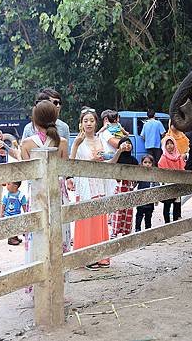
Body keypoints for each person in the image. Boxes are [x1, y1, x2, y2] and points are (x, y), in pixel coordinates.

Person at [21, 100, 72, 255]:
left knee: (38, 231)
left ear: (34, 120)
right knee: (59, 230)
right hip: (58, 192)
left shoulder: (27, 144)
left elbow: (25, 169)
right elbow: (65, 167)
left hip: (37, 193)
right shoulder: (61, 143)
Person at [70, 107, 112, 270]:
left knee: (100, 218)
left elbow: (108, 160)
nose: (89, 123)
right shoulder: (78, 141)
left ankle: (101, 255)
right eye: (85, 120)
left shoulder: (101, 139)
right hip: (85, 185)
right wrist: (75, 146)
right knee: (86, 220)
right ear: (81, 123)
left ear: (96, 123)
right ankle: (85, 257)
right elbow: (71, 163)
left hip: (99, 183)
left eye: (92, 120)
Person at [109, 137, 138, 239]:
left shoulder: (134, 160)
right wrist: (119, 151)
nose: (128, 145)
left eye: (129, 143)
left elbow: (137, 175)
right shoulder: (117, 158)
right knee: (117, 210)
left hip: (129, 187)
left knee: (128, 210)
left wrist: (134, 184)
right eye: (125, 143)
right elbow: (111, 165)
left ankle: (126, 231)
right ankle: (115, 231)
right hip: (118, 186)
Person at [158, 136, 186, 223]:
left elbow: (182, 170)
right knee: (167, 205)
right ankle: (167, 224)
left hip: (177, 184)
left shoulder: (178, 157)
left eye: (172, 143)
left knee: (177, 204)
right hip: (167, 184)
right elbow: (161, 173)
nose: (170, 146)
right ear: (164, 146)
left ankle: (176, 223)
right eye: (167, 144)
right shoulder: (163, 158)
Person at [1, 181, 28, 246]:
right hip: (7, 214)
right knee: (10, 226)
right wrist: (2, 212)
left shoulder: (21, 196)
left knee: (16, 226)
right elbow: (3, 204)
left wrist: (26, 213)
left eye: (8, 184)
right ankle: (11, 239)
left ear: (15, 186)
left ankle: (15, 237)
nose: (6, 186)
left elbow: (24, 205)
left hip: (16, 214)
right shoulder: (7, 195)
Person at [135, 155, 156, 231]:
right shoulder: (139, 174)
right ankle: (137, 229)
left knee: (149, 216)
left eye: (149, 162)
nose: (147, 164)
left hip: (150, 199)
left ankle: (148, 230)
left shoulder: (154, 175)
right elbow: (134, 183)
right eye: (145, 162)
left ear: (152, 164)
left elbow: (156, 186)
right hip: (140, 199)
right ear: (142, 163)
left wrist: (156, 199)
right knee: (139, 215)